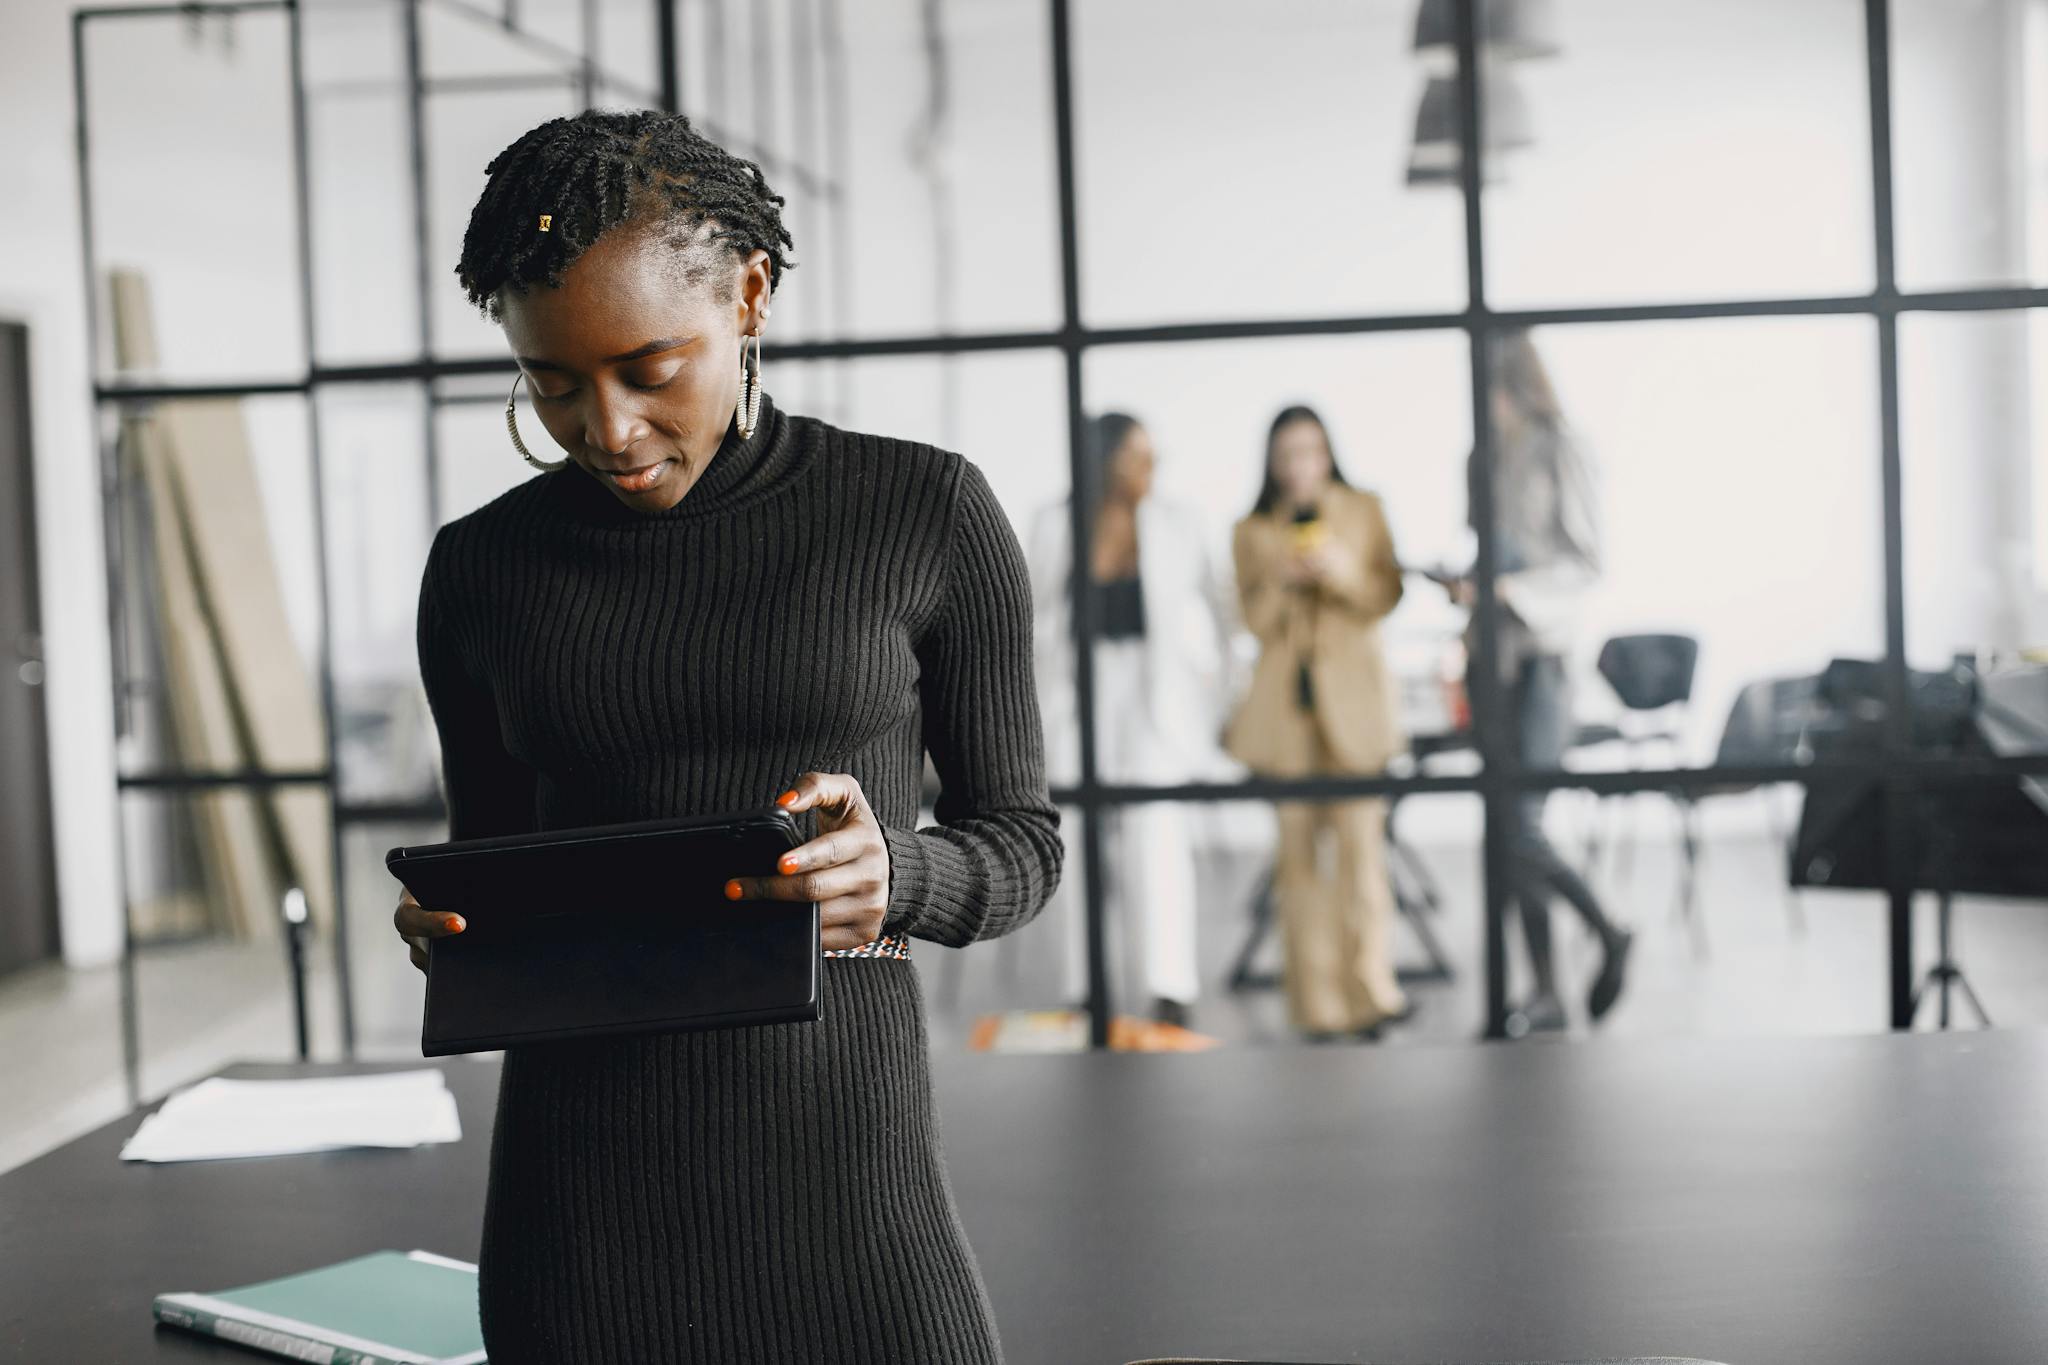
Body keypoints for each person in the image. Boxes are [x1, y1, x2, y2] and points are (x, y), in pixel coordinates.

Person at [389, 109, 1061, 1363]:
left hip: (850, 1198)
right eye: (551, 381)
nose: (608, 429)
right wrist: (456, 934)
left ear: (748, 296)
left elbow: (1021, 846)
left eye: (651, 368)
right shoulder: (480, 570)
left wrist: (897, 877)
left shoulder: (923, 511)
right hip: (577, 1219)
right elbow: (494, 857)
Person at [1446, 329, 1632, 1035]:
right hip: (1488, 662)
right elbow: (1483, 547)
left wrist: (1507, 590)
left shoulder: (1564, 447)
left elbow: (1587, 562)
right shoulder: (1479, 458)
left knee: (1522, 824)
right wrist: (1467, 583)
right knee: (1504, 831)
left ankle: (1610, 930)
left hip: (1545, 664)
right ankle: (1546, 989)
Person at [1027, 413, 1234, 1030]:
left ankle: (1169, 984)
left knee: (1157, 830)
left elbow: (1224, 611)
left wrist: (1223, 692)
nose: (1151, 466)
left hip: (1155, 694)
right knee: (1076, 833)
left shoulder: (1178, 522)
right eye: (1136, 455)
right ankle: (1084, 984)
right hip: (1079, 688)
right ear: (1104, 459)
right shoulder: (1057, 521)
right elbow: (1028, 613)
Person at [1226, 406, 1409, 1042]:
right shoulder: (1251, 530)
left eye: (1311, 450)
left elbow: (1385, 595)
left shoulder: (1364, 509)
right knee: (1298, 863)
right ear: (1273, 463)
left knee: (1363, 857)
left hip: (1355, 709)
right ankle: (1318, 1006)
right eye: (1287, 454)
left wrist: (1340, 570)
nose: (1300, 465)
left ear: (1328, 453)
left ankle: (1373, 992)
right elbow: (1252, 620)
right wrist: (1281, 580)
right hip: (1286, 714)